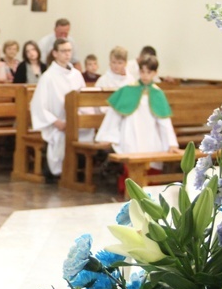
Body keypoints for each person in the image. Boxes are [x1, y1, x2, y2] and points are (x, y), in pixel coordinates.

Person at [95, 55, 179, 193]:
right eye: (143, 72)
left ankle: (148, 192)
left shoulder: (158, 93)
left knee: (152, 165)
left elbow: (164, 120)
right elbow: (114, 115)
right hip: (130, 133)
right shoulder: (127, 90)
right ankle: (131, 191)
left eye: (149, 72)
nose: (145, 76)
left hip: (151, 136)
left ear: (155, 73)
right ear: (139, 71)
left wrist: (171, 143)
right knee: (131, 163)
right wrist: (108, 137)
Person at [30, 39, 90, 177]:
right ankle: (60, 173)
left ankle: (81, 171)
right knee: (61, 138)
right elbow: (38, 105)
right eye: (63, 51)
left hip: (75, 122)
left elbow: (84, 99)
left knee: (88, 133)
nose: (67, 54)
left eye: (69, 51)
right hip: (56, 124)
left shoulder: (76, 75)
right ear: (55, 53)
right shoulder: (48, 77)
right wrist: (57, 122)